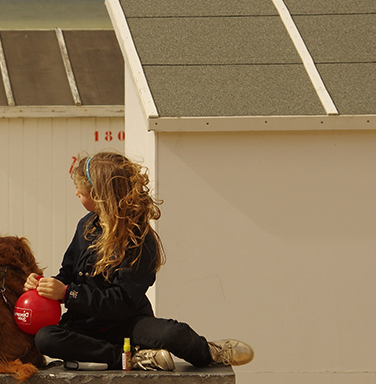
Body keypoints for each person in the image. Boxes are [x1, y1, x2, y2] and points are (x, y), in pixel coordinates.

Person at [27, 151, 254, 371]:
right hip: (84, 326)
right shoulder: (85, 225)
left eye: (81, 190)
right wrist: (44, 286)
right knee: (46, 338)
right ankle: (132, 358)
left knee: (172, 334)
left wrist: (68, 294)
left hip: (127, 323)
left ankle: (209, 353)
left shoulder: (139, 240)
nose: (76, 193)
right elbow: (67, 274)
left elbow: (121, 302)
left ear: (100, 196)